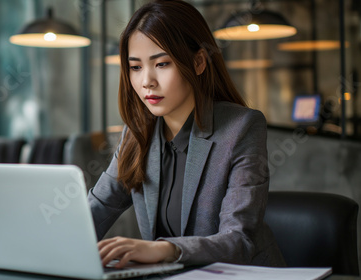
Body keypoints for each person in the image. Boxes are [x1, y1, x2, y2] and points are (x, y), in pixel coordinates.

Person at [88, 0, 286, 269]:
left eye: (162, 64)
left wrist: (163, 250)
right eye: (135, 67)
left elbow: (238, 241)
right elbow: (96, 208)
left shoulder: (242, 127)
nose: (147, 81)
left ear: (199, 62)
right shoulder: (137, 133)